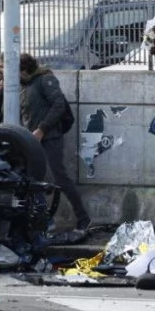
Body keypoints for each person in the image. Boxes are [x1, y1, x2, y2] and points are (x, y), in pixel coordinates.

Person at [13, 53, 92, 231]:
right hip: (31, 140)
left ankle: (83, 218)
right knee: (33, 180)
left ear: (24, 69)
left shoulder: (44, 80)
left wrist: (42, 129)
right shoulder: (23, 85)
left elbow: (58, 105)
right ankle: (42, 220)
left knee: (60, 177)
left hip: (50, 137)